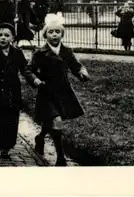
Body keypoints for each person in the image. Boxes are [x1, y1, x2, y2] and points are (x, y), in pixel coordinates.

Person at [24, 13, 90, 166]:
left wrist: (82, 73)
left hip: (63, 92)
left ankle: (40, 137)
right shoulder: (39, 53)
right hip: (46, 92)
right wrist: (35, 79)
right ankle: (61, 158)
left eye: (57, 32)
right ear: (45, 34)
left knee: (52, 122)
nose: (54, 35)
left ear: (62, 34)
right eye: (51, 32)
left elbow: (75, 66)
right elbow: (28, 70)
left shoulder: (67, 51)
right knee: (57, 121)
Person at [0, 22, 31, 159]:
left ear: (12, 38)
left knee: (10, 120)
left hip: (12, 92)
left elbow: (25, 69)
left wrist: (33, 78)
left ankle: (6, 147)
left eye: (6, 35)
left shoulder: (17, 53)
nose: (3, 38)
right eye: (0, 35)